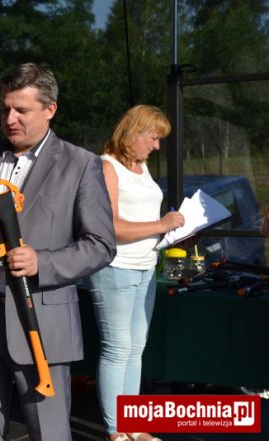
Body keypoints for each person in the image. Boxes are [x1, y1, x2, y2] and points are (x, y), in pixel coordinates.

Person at [0, 62, 116, 441]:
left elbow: (101, 245)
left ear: (50, 109)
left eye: (21, 110)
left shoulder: (80, 164)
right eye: (5, 109)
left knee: (49, 433)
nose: (10, 119)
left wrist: (43, 262)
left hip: (42, 321)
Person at [83, 105, 184, 441]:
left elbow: (144, 221)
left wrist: (172, 232)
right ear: (134, 132)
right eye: (153, 138)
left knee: (135, 347)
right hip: (116, 268)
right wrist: (161, 225)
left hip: (145, 267)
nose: (156, 146)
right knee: (117, 348)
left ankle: (133, 424)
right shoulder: (107, 166)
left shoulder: (141, 166)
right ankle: (115, 431)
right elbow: (110, 227)